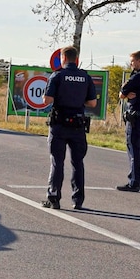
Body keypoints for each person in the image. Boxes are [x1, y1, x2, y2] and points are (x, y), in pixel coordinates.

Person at [41, 46, 97, 210]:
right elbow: (92, 103)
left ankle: (54, 198)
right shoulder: (85, 76)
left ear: (63, 58)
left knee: (57, 162)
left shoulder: (57, 75)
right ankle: (78, 200)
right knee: (77, 163)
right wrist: (78, 100)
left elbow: (47, 100)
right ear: (76, 59)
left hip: (59, 124)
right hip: (78, 125)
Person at [117, 50, 140, 192]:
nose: (131, 64)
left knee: (133, 149)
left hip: (135, 116)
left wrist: (124, 94)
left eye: (132, 61)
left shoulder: (137, 77)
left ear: (139, 61)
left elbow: (122, 93)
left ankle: (134, 181)